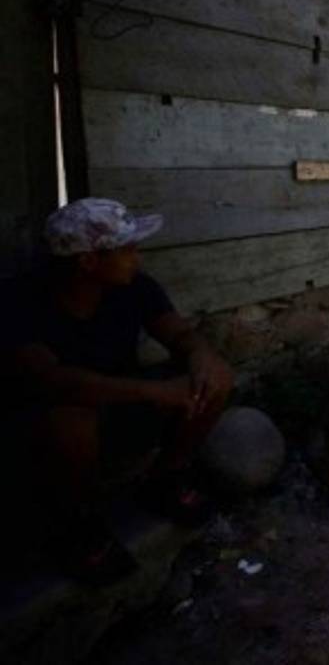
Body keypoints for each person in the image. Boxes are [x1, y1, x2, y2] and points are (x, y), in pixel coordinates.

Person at [0, 198, 233, 584]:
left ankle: (167, 478)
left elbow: (180, 333)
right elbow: (52, 381)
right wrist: (155, 393)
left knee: (217, 377)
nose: (136, 258)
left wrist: (201, 355)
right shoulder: (20, 301)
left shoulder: (135, 287)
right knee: (70, 421)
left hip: (121, 405)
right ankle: (75, 523)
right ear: (88, 262)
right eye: (126, 250)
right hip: (46, 427)